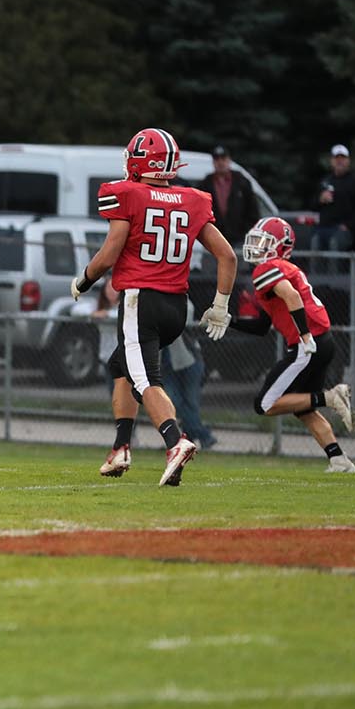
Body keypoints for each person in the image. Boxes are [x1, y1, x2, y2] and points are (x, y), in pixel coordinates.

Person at [71, 127, 236, 486]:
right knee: (122, 367)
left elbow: (110, 252)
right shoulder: (192, 200)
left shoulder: (126, 193)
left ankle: (175, 442)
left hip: (140, 301)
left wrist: (84, 279)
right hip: (176, 306)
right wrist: (220, 304)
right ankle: (121, 448)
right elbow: (227, 255)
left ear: (138, 160)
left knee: (146, 380)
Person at [231, 217, 355, 472]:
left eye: (263, 242)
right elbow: (262, 326)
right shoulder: (278, 270)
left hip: (307, 344)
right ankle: (339, 460)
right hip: (322, 342)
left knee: (264, 404)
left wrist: (304, 335)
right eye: (255, 240)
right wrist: (228, 321)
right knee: (304, 407)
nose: (255, 246)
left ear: (280, 247)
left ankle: (332, 397)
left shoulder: (267, 269)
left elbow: (291, 295)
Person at [161, 330, 216, 450]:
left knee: (191, 402)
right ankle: (203, 434)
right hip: (167, 368)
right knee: (174, 401)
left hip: (191, 362)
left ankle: (190, 438)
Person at [195, 146, 259, 246]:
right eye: (217, 159)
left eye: (223, 158)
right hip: (214, 239)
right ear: (213, 162)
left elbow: (253, 210)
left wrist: (247, 233)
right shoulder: (206, 183)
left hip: (239, 239)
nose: (220, 162)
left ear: (229, 160)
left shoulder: (241, 181)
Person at [310, 145, 355, 266]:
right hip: (324, 227)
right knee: (314, 242)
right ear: (331, 161)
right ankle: (315, 281)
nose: (339, 161)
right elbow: (312, 206)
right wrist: (320, 199)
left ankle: (334, 282)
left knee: (334, 243)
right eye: (336, 158)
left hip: (344, 229)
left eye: (343, 158)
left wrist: (349, 225)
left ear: (348, 161)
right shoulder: (325, 181)